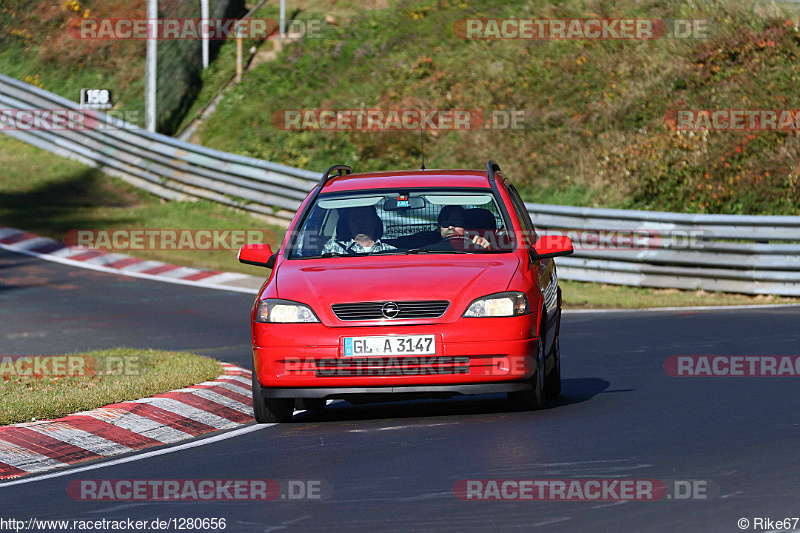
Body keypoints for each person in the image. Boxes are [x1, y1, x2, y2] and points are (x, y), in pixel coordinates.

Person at [322, 205, 396, 254]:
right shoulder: (333, 248)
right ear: (349, 223)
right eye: (355, 218)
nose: (360, 222)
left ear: (375, 222)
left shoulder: (390, 251)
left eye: (364, 218)